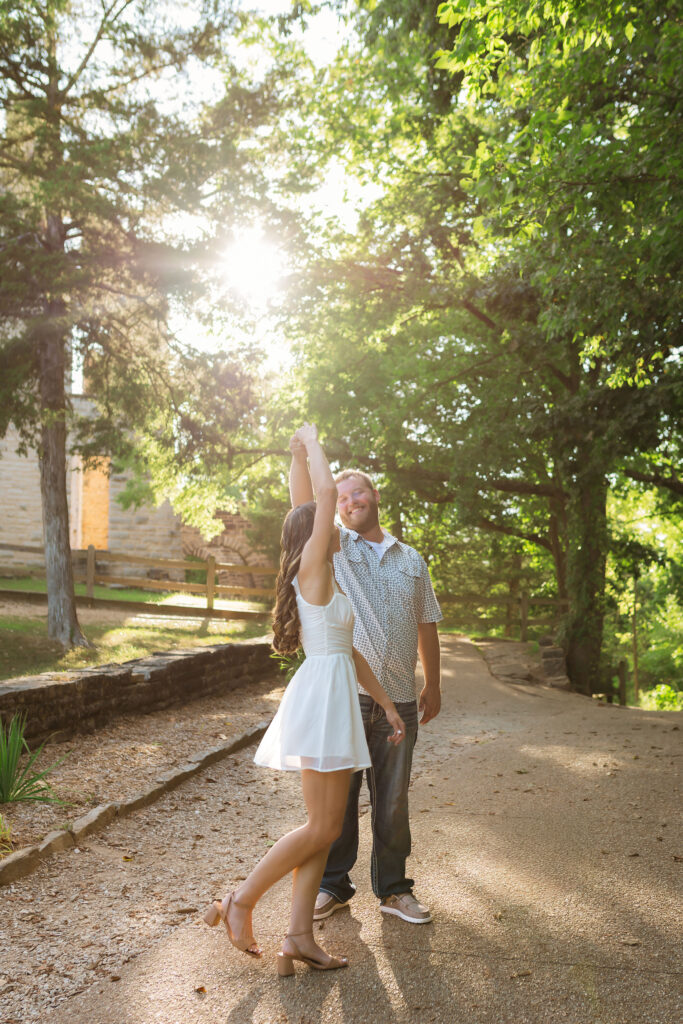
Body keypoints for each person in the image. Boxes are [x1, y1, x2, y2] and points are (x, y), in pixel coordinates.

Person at [204, 423, 406, 976]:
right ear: (314, 533)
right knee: (323, 827)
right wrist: (314, 444)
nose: (336, 517)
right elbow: (316, 502)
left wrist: (387, 705)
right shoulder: (314, 568)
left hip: (337, 694)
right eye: (327, 517)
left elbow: (352, 651)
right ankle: (240, 901)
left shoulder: (327, 573)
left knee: (328, 826)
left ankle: (298, 936)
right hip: (322, 701)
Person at [289, 446, 442, 925]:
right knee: (340, 799)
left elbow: (427, 623)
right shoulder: (338, 547)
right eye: (343, 497)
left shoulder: (412, 560)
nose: (351, 501)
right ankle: (334, 885)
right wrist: (300, 457)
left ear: (376, 496)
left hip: (399, 698)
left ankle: (394, 890)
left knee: (393, 802)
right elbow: (303, 505)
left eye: (359, 492)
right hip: (347, 699)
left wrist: (432, 684)